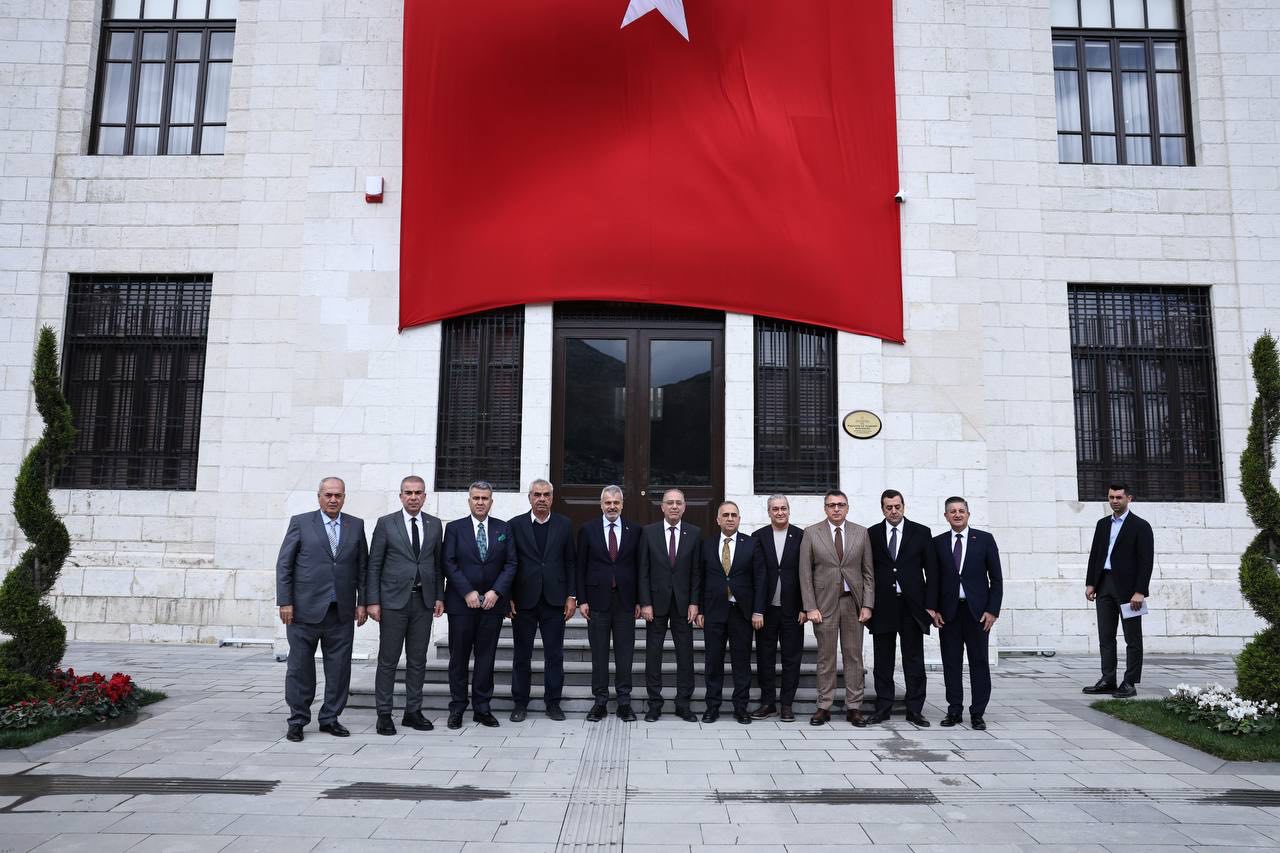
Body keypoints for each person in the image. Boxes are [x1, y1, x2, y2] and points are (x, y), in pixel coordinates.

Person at [275, 476, 368, 742]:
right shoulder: (301, 523)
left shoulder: (355, 525)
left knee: (339, 669)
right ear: (319, 497)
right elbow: (284, 565)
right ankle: (297, 720)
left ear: (344, 497)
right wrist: (285, 601)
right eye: (328, 495)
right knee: (300, 669)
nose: (333, 500)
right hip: (303, 611)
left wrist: (362, 602)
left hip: (341, 612)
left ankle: (330, 718)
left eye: (338, 495)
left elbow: (363, 567)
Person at [366, 476, 444, 735]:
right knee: (388, 660)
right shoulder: (386, 523)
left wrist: (439, 596)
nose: (413, 497)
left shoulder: (434, 525)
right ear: (400, 496)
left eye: (418, 492)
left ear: (424, 496)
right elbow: (374, 564)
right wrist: (372, 601)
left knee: (418, 659)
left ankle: (413, 711)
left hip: (423, 601)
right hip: (392, 602)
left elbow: (437, 564)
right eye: (408, 492)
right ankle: (384, 714)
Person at [442, 481, 517, 729]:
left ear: (491, 501)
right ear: (469, 501)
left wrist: (497, 591)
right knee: (459, 658)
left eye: (485, 498)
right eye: (476, 498)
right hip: (461, 605)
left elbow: (511, 563)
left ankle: (482, 708)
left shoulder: (503, 528)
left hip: (492, 606)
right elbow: (448, 562)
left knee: (486, 658)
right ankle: (457, 708)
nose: (480, 502)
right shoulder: (454, 528)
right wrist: (467, 592)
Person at [798, 489, 874, 726]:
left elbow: (868, 573)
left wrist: (868, 604)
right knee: (826, 657)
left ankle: (854, 707)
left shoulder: (861, 533)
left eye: (841, 504)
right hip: (824, 605)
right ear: (825, 508)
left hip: (853, 603)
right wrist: (810, 606)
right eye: (832, 505)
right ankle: (824, 706)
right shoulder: (811, 533)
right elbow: (805, 574)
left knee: (853, 657)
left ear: (847, 507)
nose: (836, 509)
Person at [866, 489, 938, 726]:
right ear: (882, 509)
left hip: (912, 607)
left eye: (897, 506)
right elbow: (867, 570)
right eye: (889, 507)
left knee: (913, 659)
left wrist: (931, 606)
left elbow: (932, 572)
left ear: (904, 506)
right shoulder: (872, 534)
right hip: (883, 606)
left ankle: (915, 709)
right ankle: (883, 707)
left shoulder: (921, 532)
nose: (894, 511)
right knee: (882, 660)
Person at [930, 496, 1002, 730]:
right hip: (948, 614)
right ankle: (954, 710)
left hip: (977, 614)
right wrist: (934, 609)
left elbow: (996, 579)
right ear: (946, 516)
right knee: (951, 663)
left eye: (961, 510)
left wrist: (992, 610)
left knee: (979, 662)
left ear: (968, 514)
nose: (957, 514)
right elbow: (933, 579)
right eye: (952, 511)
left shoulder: (984, 539)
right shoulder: (938, 543)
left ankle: (978, 713)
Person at [508, 479, 576, 721]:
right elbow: (509, 563)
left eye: (546, 495)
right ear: (529, 497)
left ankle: (553, 703)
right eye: (537, 495)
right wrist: (508, 597)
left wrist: (571, 596)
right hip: (523, 601)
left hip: (554, 600)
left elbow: (570, 562)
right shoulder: (514, 525)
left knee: (554, 655)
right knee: (522, 655)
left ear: (552, 498)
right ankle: (520, 703)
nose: (542, 499)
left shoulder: (564, 524)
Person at [576, 485, 642, 722]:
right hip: (596, 601)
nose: (612, 506)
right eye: (608, 502)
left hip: (626, 602)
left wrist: (640, 600)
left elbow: (640, 567)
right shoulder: (588, 530)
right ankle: (600, 702)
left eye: (616, 502)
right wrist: (582, 599)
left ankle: (624, 702)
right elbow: (580, 566)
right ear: (601, 504)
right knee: (599, 654)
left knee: (625, 655)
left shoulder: (635, 530)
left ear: (622, 505)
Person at [1083, 483, 1154, 699]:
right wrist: (1090, 583)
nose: (1114, 501)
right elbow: (1095, 554)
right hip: (1104, 584)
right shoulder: (1102, 524)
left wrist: (1140, 591)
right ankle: (1108, 679)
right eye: (1111, 497)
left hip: (1129, 590)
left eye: (1119, 497)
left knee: (1133, 638)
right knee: (1106, 636)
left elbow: (1146, 562)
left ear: (1128, 499)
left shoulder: (1141, 526)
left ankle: (1130, 682)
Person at [637, 489, 702, 722]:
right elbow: (643, 571)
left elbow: (696, 572)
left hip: (684, 606)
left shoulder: (694, 533)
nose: (674, 506)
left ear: (684, 507)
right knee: (653, 654)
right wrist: (645, 602)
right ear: (662, 507)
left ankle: (683, 703)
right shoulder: (648, 532)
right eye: (670, 503)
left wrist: (695, 602)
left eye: (678, 503)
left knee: (685, 655)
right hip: (655, 605)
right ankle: (654, 704)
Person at [697, 501, 765, 724]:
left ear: (739, 519)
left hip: (741, 613)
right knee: (713, 661)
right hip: (714, 612)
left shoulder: (751, 544)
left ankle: (741, 708)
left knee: (741, 662)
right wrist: (699, 609)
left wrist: (758, 611)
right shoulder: (707, 545)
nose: (729, 518)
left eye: (733, 515)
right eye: (725, 515)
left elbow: (760, 579)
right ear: (717, 519)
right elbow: (700, 578)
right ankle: (712, 707)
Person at [749, 494, 805, 722]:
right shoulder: (758, 537)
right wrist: (757, 609)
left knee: (792, 658)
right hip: (766, 610)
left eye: (783, 508)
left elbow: (807, 574)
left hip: (794, 610)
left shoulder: (801, 536)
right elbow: (755, 576)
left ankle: (787, 705)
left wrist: (805, 607)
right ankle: (768, 703)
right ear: (769, 512)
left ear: (789, 510)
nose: (780, 512)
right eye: (775, 509)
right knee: (765, 657)